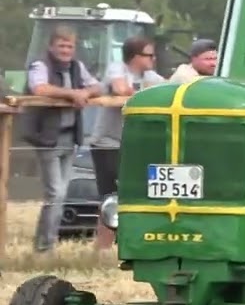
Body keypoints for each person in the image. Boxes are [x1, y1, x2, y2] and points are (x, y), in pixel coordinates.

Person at [21, 25, 103, 253]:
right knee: (55, 194)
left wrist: (85, 93)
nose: (66, 50)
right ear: (51, 46)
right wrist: (72, 94)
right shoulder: (40, 65)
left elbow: (97, 86)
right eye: (61, 46)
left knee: (60, 194)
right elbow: (40, 88)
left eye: (70, 46)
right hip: (47, 138)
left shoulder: (77, 66)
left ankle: (43, 244)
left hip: (70, 137)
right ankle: (45, 248)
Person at [88, 35, 166, 249]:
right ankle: (102, 248)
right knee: (110, 197)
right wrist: (149, 95)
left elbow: (168, 90)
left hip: (132, 145)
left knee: (134, 195)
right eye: (149, 55)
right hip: (107, 143)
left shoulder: (150, 76)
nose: (153, 59)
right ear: (134, 57)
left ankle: (130, 244)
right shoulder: (117, 69)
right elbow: (121, 89)